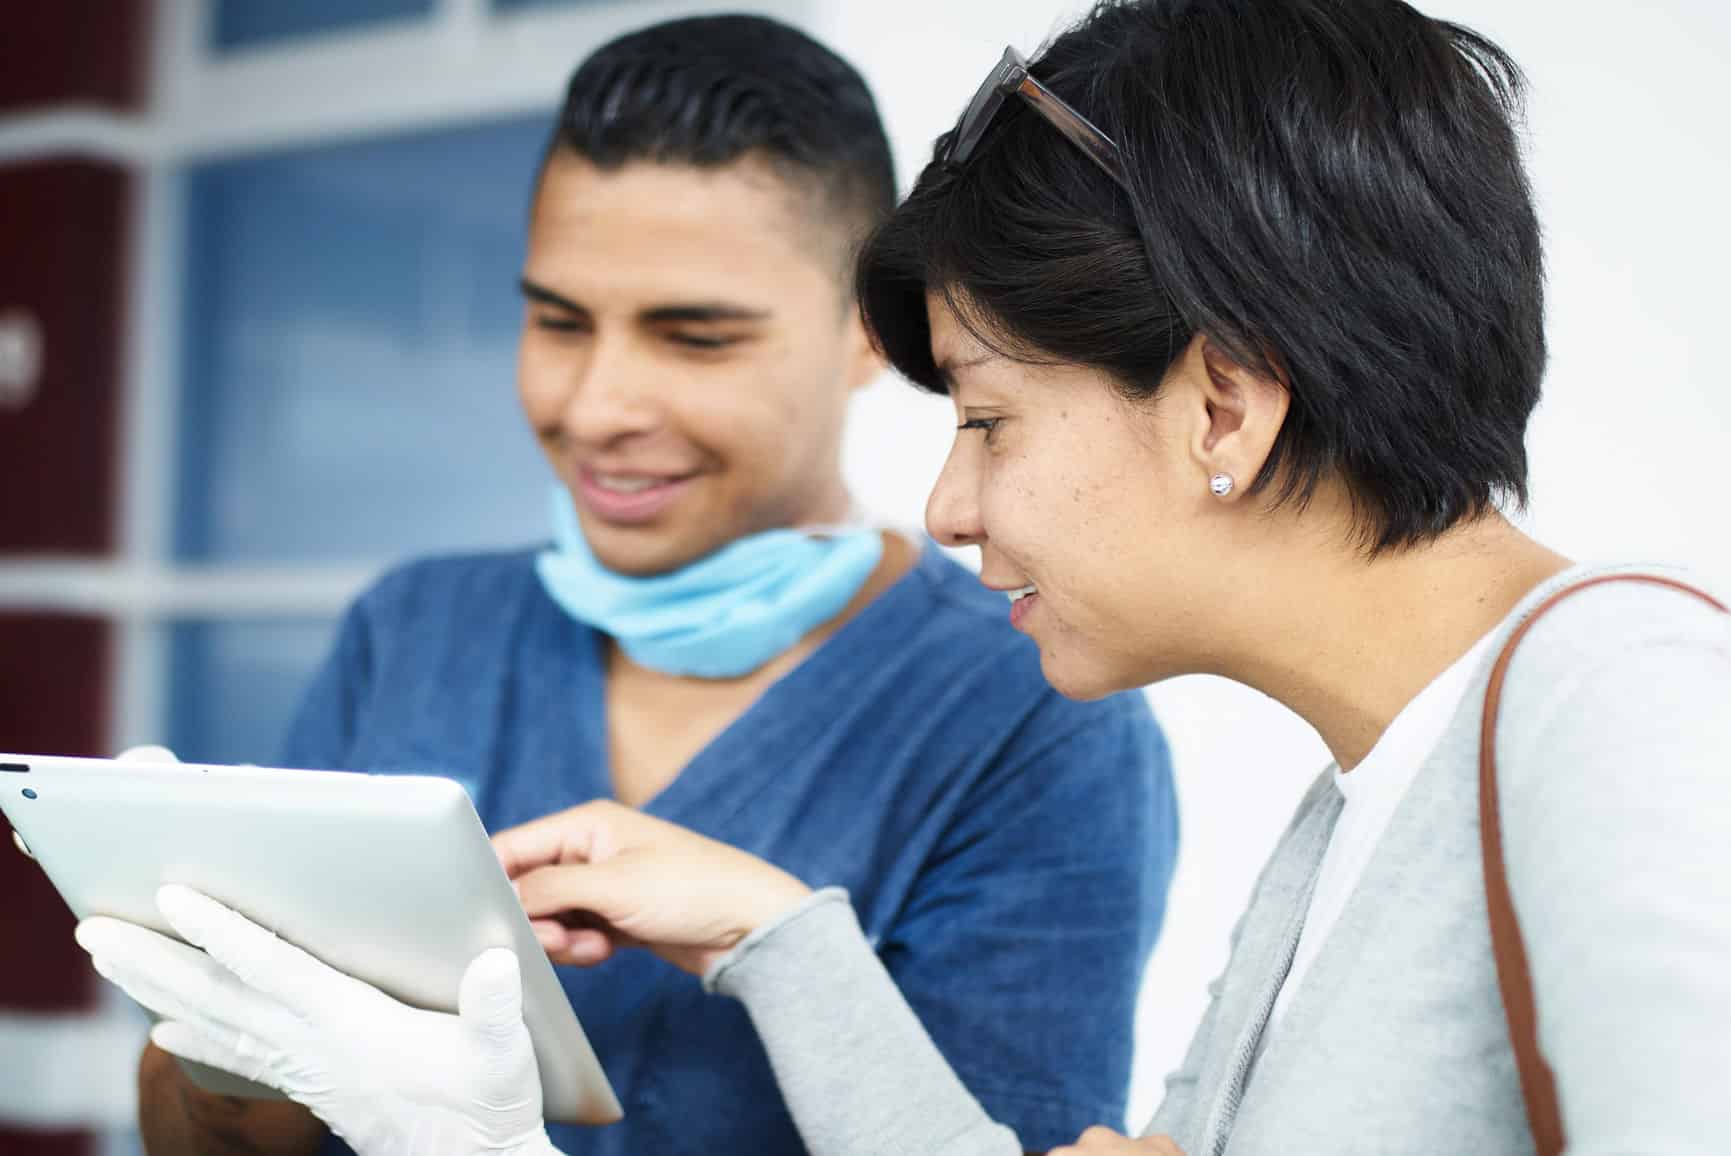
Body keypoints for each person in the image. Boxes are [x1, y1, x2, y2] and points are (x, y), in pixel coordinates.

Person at [74, 0, 1731, 1152]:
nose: (947, 504)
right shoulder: (1357, 805)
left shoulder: (1630, 705)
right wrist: (781, 934)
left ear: (1220, 403)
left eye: (992, 419)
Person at [101, 13, 1177, 1156]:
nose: (597, 406)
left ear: (874, 332)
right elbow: (228, 1135)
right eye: (559, 321)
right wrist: (218, 1032)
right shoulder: (414, 631)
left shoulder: (1031, 718)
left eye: (694, 337)